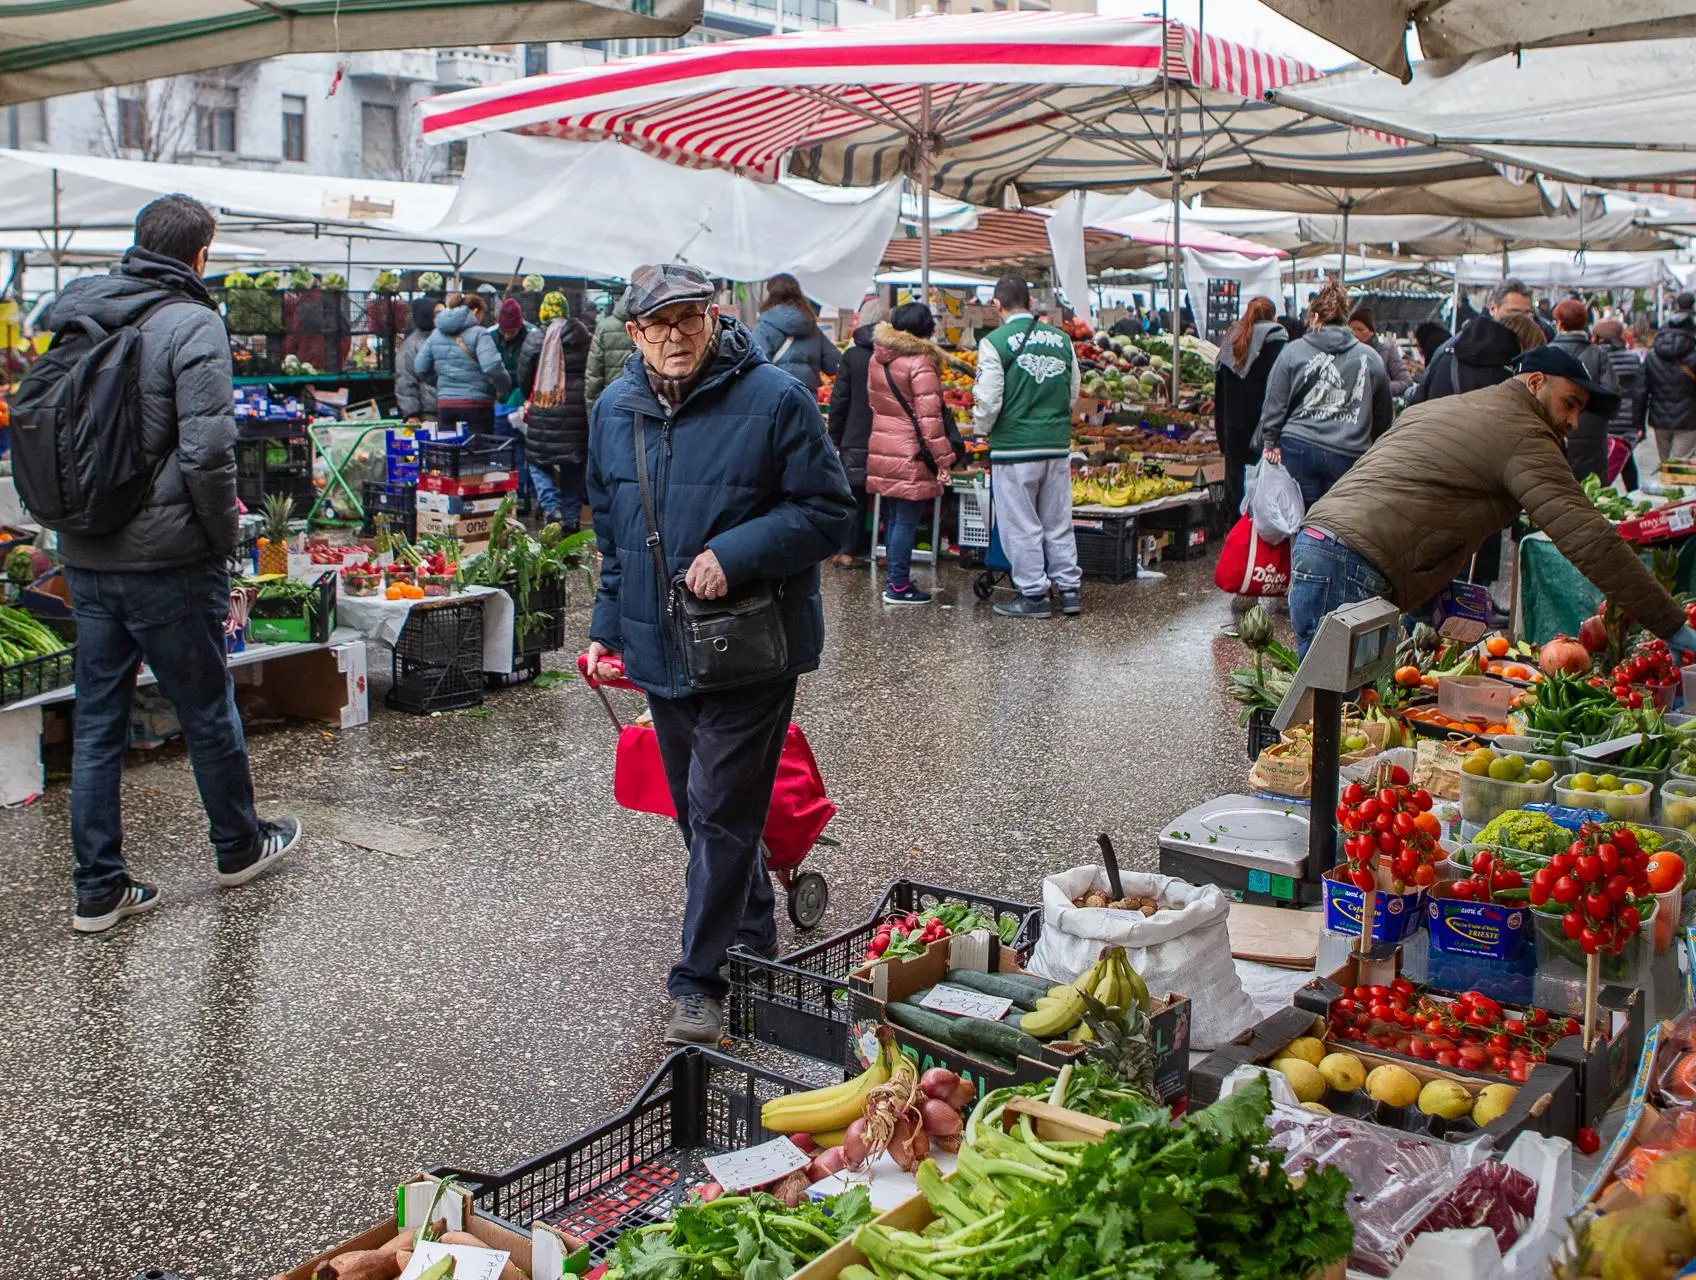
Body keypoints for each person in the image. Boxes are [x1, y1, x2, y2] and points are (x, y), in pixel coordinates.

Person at [583, 263, 852, 1045]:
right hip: (659, 647)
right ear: (633, 333)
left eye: (688, 319)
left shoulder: (775, 399)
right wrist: (607, 625)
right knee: (698, 813)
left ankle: (697, 982)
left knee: (722, 812)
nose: (675, 337)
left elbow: (829, 511)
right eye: (657, 325)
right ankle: (751, 926)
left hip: (752, 648)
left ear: (714, 316)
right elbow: (613, 538)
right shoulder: (615, 410)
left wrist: (736, 553)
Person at [46, 194, 301, 934]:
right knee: (206, 706)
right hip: (169, 560)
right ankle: (238, 845)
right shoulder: (192, 323)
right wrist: (223, 539)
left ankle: (97, 889)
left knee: (96, 723)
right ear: (200, 253)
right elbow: (208, 453)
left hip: (88, 553)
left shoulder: (80, 311)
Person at [1290, 345, 1696, 659]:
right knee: (1329, 724)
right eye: (1569, 403)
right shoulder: (1524, 434)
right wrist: (1671, 624)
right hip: (1354, 562)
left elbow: (1420, 497)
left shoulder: (1453, 406)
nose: (1574, 421)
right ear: (1535, 382)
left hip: (1326, 545)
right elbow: (1589, 538)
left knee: (1338, 718)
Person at [972, 274, 1082, 619]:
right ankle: (1069, 591)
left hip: (1014, 447)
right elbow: (1073, 392)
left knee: (1021, 523)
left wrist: (981, 428)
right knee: (1058, 521)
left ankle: (1034, 594)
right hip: (1055, 444)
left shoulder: (995, 342)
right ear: (1031, 303)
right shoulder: (1063, 340)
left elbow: (988, 400)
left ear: (997, 305)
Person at [1258, 279, 1392, 510]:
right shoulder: (1371, 359)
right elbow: (1382, 415)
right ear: (1346, 320)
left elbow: (1274, 402)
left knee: (1299, 518)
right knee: (1336, 525)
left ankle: (1301, 546)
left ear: (1315, 317)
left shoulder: (1292, 351)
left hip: (1298, 446)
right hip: (1348, 452)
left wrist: (1270, 440)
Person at [866, 302, 956, 605]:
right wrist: (944, 460)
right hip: (911, 452)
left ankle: (895, 579)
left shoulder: (878, 358)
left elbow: (875, 403)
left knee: (893, 518)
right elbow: (930, 421)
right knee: (905, 520)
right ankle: (899, 586)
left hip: (884, 446)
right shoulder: (920, 362)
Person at [518, 295, 593, 530]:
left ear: (543, 313)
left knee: (537, 462)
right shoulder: (584, 337)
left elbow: (523, 376)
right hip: (576, 411)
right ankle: (571, 519)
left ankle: (552, 508)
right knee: (573, 465)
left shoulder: (536, 338)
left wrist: (534, 394)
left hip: (544, 409)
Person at [825, 297, 888, 567]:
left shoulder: (851, 356)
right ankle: (882, 548)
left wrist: (834, 435)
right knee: (886, 495)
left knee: (854, 494)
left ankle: (849, 549)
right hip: (889, 436)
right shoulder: (893, 354)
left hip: (855, 436)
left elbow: (839, 400)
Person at [1213, 295, 1287, 518]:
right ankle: (1258, 550)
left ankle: (1237, 545)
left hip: (1233, 434)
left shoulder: (1230, 344)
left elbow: (1219, 396)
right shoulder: (1280, 345)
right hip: (1266, 436)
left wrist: (1222, 437)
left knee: (1236, 497)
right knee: (1263, 502)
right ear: (1274, 316)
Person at [414, 291, 511, 436]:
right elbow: (492, 366)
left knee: (450, 452)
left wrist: (442, 383)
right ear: (475, 312)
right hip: (477, 405)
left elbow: (420, 368)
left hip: (446, 405)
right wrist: (503, 386)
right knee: (476, 452)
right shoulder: (480, 333)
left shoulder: (436, 334)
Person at [1549, 299, 1619, 484]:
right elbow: (1611, 396)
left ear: (1559, 323)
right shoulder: (1598, 354)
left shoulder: (1546, 354)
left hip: (1553, 431)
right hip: (1592, 433)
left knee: (1555, 488)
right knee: (1592, 491)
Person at [752, 273, 840, 394]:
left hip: (775, 395)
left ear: (770, 295)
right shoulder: (812, 328)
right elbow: (834, 364)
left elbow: (756, 366)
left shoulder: (764, 327)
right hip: (807, 397)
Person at [1636, 292, 1696, 464]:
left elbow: (1641, 391)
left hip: (1659, 418)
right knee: (1679, 467)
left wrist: (1638, 423)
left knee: (1666, 466)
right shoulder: (1693, 353)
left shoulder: (1653, 355)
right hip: (1689, 418)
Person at [1595, 317, 1645, 490]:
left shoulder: (1596, 357)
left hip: (1604, 417)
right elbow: (1639, 389)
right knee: (1626, 458)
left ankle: (1600, 493)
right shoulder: (1632, 358)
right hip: (1627, 418)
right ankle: (1633, 491)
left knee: (1602, 459)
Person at [585, 290, 635, 414]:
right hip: (648, 405)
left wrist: (593, 417)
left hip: (612, 404)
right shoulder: (650, 324)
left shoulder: (604, 327)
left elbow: (594, 376)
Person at [1348, 306, 1413, 398]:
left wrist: (1378, 389)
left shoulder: (1387, 351)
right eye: (1352, 329)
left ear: (1371, 332)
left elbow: (1406, 382)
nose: (1354, 334)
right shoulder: (1346, 353)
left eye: (1360, 329)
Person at [394, 296, 442, 421]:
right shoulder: (411, 346)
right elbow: (405, 381)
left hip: (449, 408)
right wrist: (411, 413)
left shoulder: (448, 337)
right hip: (429, 413)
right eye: (437, 313)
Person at [491, 297, 536, 407]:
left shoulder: (532, 337)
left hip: (523, 394)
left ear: (519, 327)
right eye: (504, 331)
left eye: (511, 332)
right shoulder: (490, 337)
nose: (507, 336)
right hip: (499, 392)